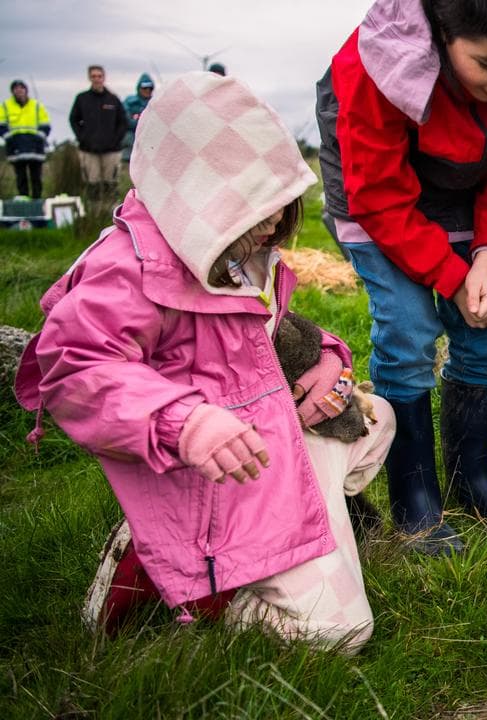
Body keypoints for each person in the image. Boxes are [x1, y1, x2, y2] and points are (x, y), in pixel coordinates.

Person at [14, 72, 393, 653]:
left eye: (278, 201)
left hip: (263, 439)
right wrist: (184, 422)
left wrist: (326, 360)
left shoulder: (237, 250)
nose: (274, 223)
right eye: (253, 205)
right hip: (209, 477)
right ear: (195, 192)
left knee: (378, 418)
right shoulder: (129, 269)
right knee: (338, 634)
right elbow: (77, 368)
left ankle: (284, 543)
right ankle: (203, 587)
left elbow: (264, 335)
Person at [316, 0, 487, 555]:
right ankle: (415, 501)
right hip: (378, 191)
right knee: (407, 328)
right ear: (442, 31)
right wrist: (450, 278)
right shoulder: (374, 67)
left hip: (464, 181)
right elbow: (380, 196)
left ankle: (472, 482)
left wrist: (485, 260)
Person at [68, 65, 127, 205]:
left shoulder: (113, 99)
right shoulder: (82, 98)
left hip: (111, 150)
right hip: (89, 150)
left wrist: (115, 140)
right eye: (93, 76)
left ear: (103, 77)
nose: (97, 79)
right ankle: (94, 211)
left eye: (99, 76)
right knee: (92, 184)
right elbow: (73, 119)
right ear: (89, 78)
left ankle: (111, 210)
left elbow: (123, 122)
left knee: (111, 184)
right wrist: (82, 138)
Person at [1, 80, 52, 198]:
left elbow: (45, 126)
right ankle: (24, 201)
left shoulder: (36, 106)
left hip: (35, 148)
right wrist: (10, 139)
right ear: (12, 91)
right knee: (21, 177)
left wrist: (37, 139)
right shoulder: (5, 106)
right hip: (16, 148)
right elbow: (1, 126)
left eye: (21, 88)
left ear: (26, 90)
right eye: (16, 88)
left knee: (36, 177)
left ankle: (37, 201)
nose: (19, 91)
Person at [120, 73, 155, 168]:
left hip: (150, 145)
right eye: (144, 88)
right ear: (139, 88)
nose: (147, 90)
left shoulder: (155, 102)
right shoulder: (129, 102)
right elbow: (127, 121)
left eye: (150, 88)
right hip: (130, 144)